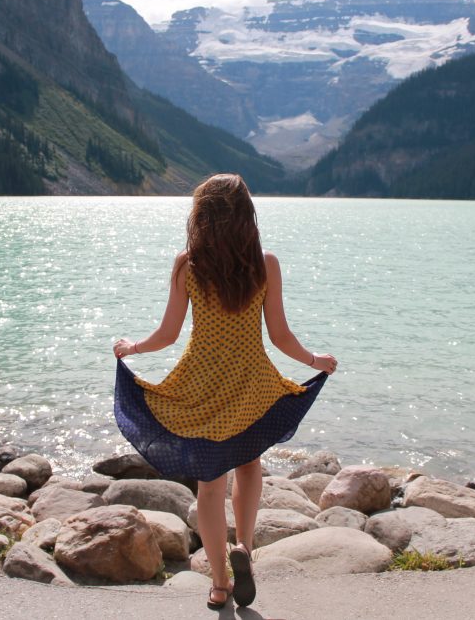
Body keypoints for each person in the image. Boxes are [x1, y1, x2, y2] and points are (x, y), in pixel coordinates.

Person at [113, 174, 337, 610]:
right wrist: (315, 361)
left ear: (202, 216)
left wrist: (131, 348)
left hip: (201, 381)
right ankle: (246, 550)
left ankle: (219, 583)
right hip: (251, 381)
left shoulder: (189, 264)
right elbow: (280, 336)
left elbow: (168, 334)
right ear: (246, 216)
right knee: (250, 466)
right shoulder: (264, 263)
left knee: (209, 485)